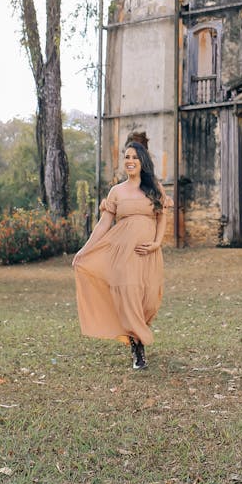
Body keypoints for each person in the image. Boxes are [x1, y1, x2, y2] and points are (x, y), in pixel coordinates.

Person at [72, 140, 171, 370]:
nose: (130, 161)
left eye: (134, 157)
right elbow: (103, 225)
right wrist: (84, 250)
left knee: (149, 299)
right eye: (126, 157)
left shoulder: (154, 188)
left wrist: (157, 243)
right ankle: (138, 348)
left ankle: (137, 332)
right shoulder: (116, 191)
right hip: (122, 254)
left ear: (142, 162)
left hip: (148, 253)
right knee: (129, 294)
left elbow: (161, 217)